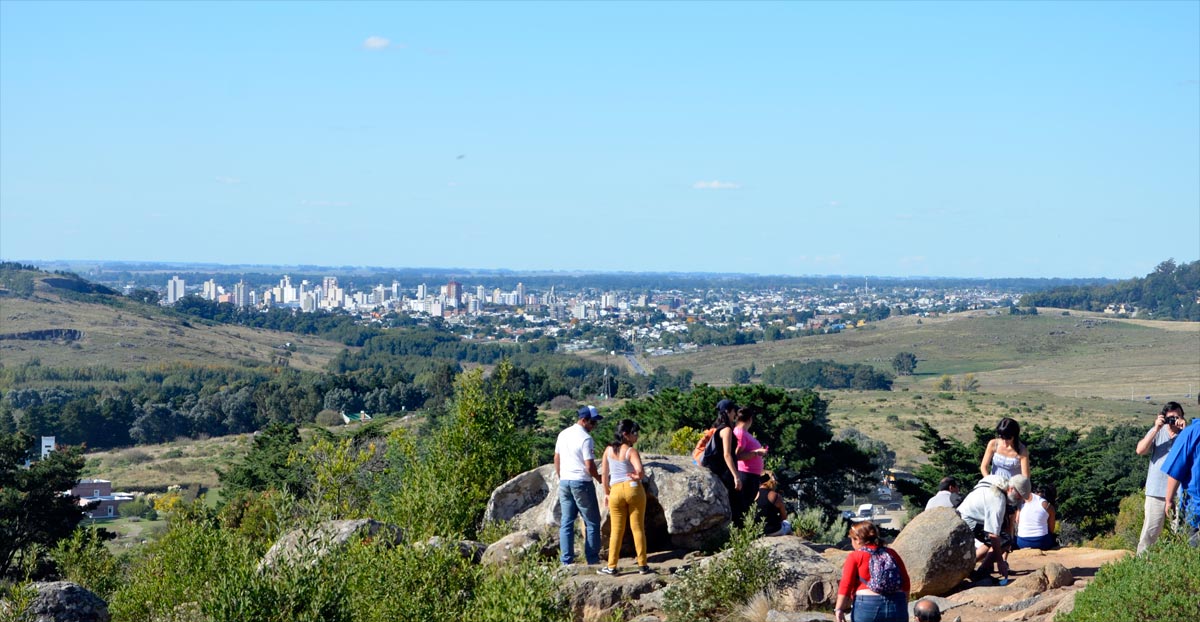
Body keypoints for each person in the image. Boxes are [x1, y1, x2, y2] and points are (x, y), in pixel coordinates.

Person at [598, 419, 651, 576]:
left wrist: (606, 493)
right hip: (632, 488)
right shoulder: (631, 451)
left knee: (616, 530)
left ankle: (611, 566)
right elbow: (640, 472)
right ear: (626, 435)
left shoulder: (608, 450)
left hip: (615, 491)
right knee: (637, 528)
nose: (637, 437)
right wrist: (635, 476)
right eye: (635, 433)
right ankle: (642, 565)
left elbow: (604, 476)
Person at [554, 405, 604, 566]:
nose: (594, 426)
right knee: (592, 521)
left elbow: (557, 457)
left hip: (565, 481)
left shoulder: (563, 434)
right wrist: (600, 478)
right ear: (584, 420)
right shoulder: (586, 438)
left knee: (567, 522)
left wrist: (561, 475)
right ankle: (592, 559)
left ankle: (566, 561)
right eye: (593, 422)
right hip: (581, 482)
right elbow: (589, 465)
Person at [1135, 402, 1187, 554]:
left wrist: (1185, 431)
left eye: (1177, 417)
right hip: (1156, 491)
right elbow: (1140, 450)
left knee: (1181, 533)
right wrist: (1156, 428)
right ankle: (1141, 566)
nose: (1173, 421)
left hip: (1179, 493)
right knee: (1149, 533)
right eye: (1170, 417)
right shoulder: (1158, 431)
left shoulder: (1186, 434)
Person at [834, 521, 910, 622]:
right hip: (897, 603)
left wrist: (839, 609)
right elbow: (905, 581)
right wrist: (903, 603)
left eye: (851, 539)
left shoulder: (855, 556)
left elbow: (846, 584)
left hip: (867, 605)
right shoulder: (891, 553)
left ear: (857, 539)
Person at [957, 474, 1029, 580]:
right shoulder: (998, 501)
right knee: (1005, 540)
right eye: (1020, 496)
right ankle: (980, 572)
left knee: (1000, 535)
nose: (1019, 499)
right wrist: (1000, 562)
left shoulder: (998, 479)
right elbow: (993, 535)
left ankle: (970, 566)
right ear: (1012, 489)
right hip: (969, 521)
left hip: (963, 513)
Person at [1162, 400, 1200, 547]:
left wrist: (1169, 500)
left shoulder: (1191, 433)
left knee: (1191, 558)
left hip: (1194, 510)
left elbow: (1176, 471)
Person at [732, 406, 769, 525]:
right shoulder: (740, 433)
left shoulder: (742, 433)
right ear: (750, 419)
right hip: (746, 474)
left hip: (751, 475)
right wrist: (756, 453)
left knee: (747, 504)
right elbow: (737, 455)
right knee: (744, 505)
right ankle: (740, 531)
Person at [710, 398, 741, 518]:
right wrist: (736, 476)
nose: (735, 414)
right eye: (734, 411)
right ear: (728, 412)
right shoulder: (727, 430)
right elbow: (727, 454)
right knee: (734, 505)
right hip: (726, 473)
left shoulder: (717, 428)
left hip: (721, 471)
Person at [1015, 482, 1057, 550]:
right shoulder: (1048, 506)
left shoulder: (1023, 500)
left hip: (1021, 543)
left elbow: (1017, 521)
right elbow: (1051, 529)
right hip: (1042, 542)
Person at [756, 470, 792, 536]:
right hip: (773, 530)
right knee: (787, 524)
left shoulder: (753, 495)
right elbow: (784, 517)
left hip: (757, 531)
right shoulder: (775, 496)